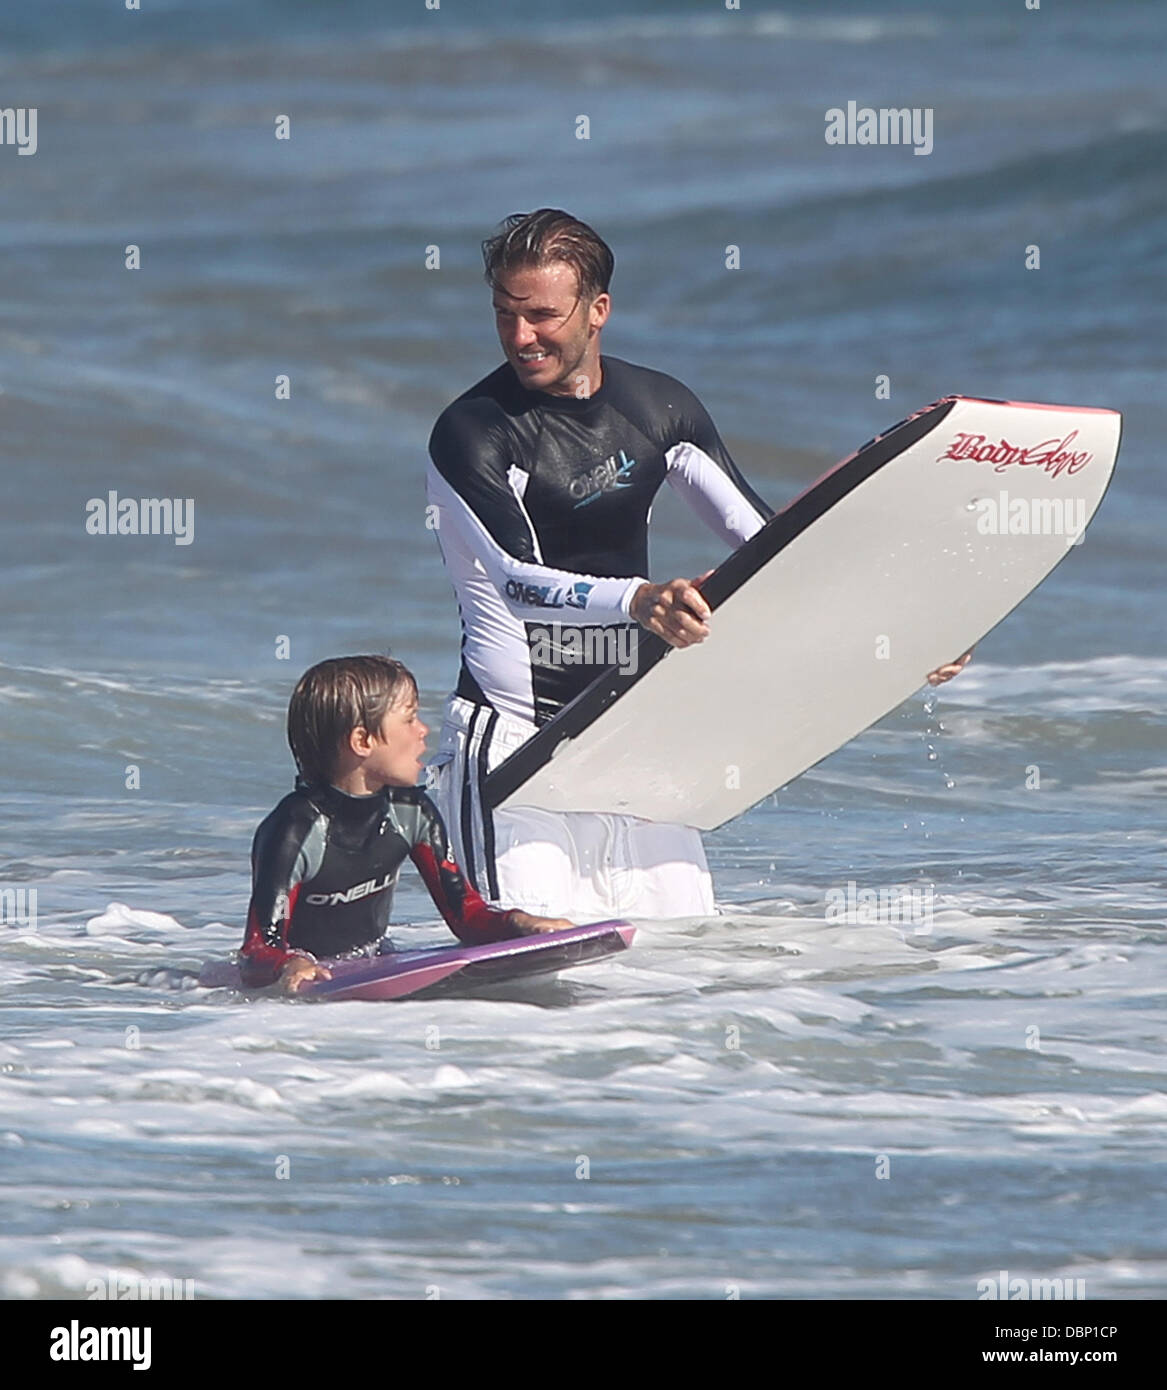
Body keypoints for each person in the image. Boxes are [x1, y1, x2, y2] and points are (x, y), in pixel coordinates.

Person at [425, 209, 970, 922]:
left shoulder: (658, 408)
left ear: (598, 311)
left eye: (541, 316)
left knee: (683, 960)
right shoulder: (472, 432)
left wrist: (902, 636)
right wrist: (639, 601)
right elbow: (514, 582)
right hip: (516, 743)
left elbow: (773, 551)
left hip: (633, 732)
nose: (520, 337)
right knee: (534, 980)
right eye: (504, 315)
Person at [239, 655, 570, 994]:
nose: (423, 730)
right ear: (362, 741)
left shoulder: (411, 812)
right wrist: (290, 964)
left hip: (373, 966)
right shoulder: (295, 830)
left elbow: (466, 918)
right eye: (410, 718)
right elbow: (256, 952)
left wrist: (519, 923)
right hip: (302, 992)